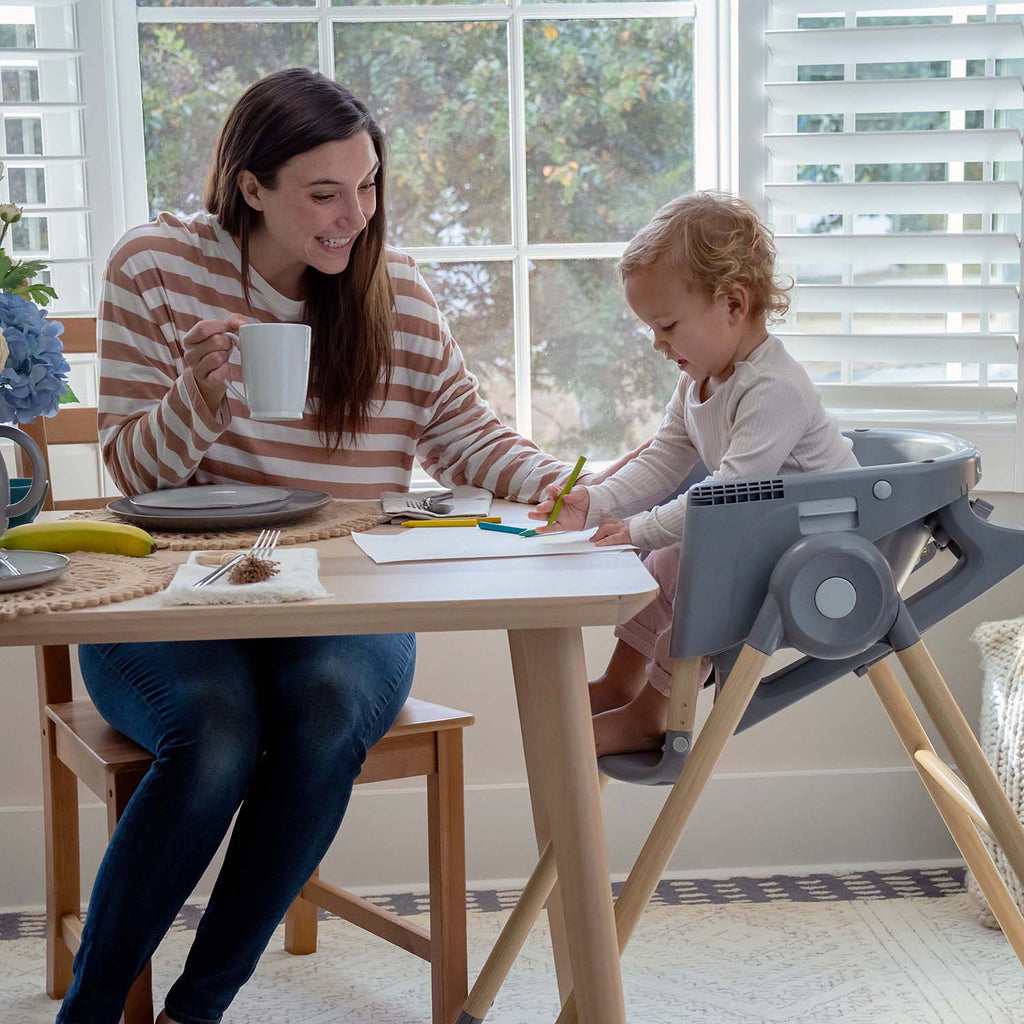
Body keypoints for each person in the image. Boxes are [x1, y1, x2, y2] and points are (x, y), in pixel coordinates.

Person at [59, 68, 582, 1024]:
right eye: (324, 192)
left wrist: (562, 485)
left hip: (339, 605)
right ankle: (89, 1013)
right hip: (178, 597)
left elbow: (465, 435)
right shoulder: (156, 268)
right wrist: (200, 396)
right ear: (251, 186)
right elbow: (131, 471)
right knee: (215, 735)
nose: (355, 216)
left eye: (370, 184)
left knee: (329, 706)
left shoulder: (397, 295)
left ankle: (194, 1010)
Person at [528, 191, 860, 758]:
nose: (658, 343)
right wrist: (596, 502)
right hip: (765, 530)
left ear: (733, 303)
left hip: (824, 542)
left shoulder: (774, 388)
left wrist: (636, 530)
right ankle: (623, 686)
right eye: (650, 329)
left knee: (697, 566)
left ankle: (654, 712)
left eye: (668, 325)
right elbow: (663, 460)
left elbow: (728, 494)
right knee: (667, 562)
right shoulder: (699, 379)